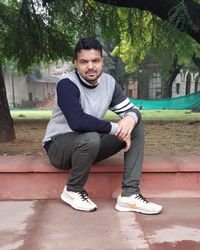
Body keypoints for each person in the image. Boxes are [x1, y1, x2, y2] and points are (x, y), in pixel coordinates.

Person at [43, 37, 163, 214]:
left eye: (95, 61)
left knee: (135, 126)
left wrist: (130, 118)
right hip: (58, 147)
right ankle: (73, 190)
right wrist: (117, 128)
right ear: (76, 63)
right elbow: (78, 121)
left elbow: (131, 110)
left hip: (88, 146)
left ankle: (129, 195)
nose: (90, 66)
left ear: (102, 62)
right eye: (84, 62)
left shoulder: (108, 83)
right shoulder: (66, 84)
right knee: (90, 138)